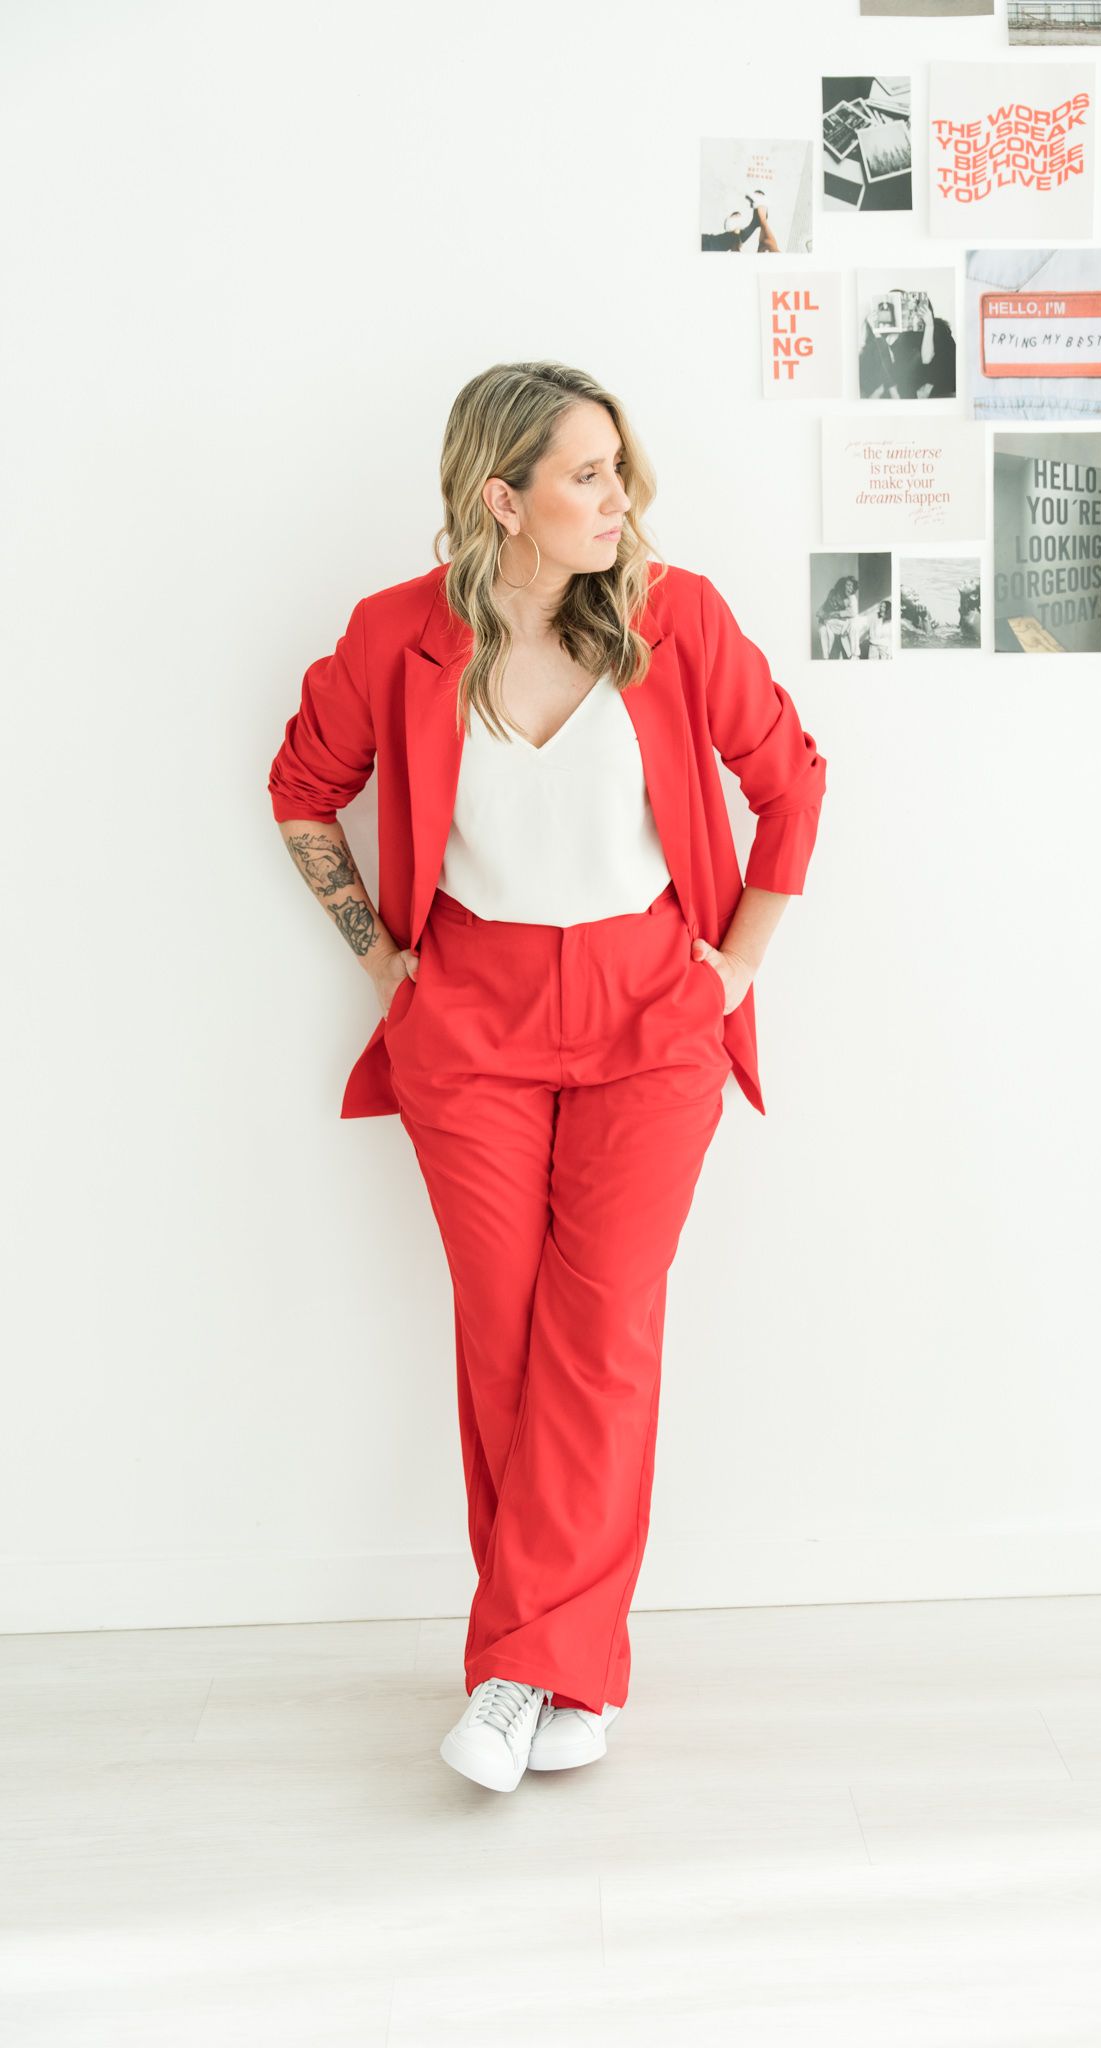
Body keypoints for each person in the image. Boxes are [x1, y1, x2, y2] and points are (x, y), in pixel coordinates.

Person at [266, 361, 827, 1794]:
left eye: (620, 470)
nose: (620, 500)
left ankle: (521, 1673)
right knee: (506, 1342)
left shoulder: (672, 616)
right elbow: (301, 786)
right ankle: (562, 1667)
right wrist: (387, 964)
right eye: (588, 476)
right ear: (499, 498)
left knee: (602, 1334)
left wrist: (735, 968)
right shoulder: (395, 636)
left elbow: (792, 777)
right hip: (472, 1023)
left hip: (651, 1015)